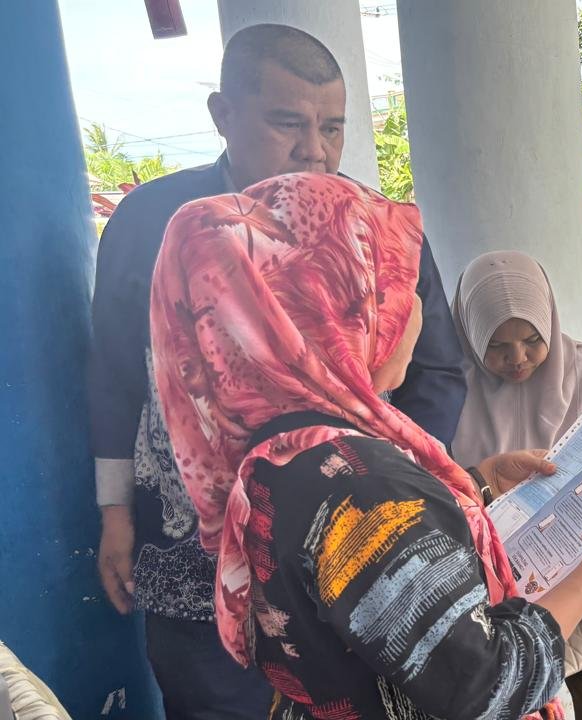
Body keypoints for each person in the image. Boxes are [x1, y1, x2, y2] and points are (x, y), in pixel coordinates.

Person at [148, 171, 582, 720]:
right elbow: (486, 684)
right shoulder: (363, 484)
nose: (415, 310)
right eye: (394, 285)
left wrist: (480, 481)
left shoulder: (281, 453)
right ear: (339, 310)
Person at [88, 24, 466, 718]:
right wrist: (114, 512)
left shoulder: (376, 227)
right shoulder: (156, 224)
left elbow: (438, 371)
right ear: (223, 115)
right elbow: (116, 374)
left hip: (347, 546)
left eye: (333, 127)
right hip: (195, 554)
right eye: (288, 123)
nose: (314, 150)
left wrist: (389, 492)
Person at [451, 251, 582, 720]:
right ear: (469, 335)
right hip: (485, 601)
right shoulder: (443, 389)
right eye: (497, 345)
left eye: (532, 339)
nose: (517, 358)